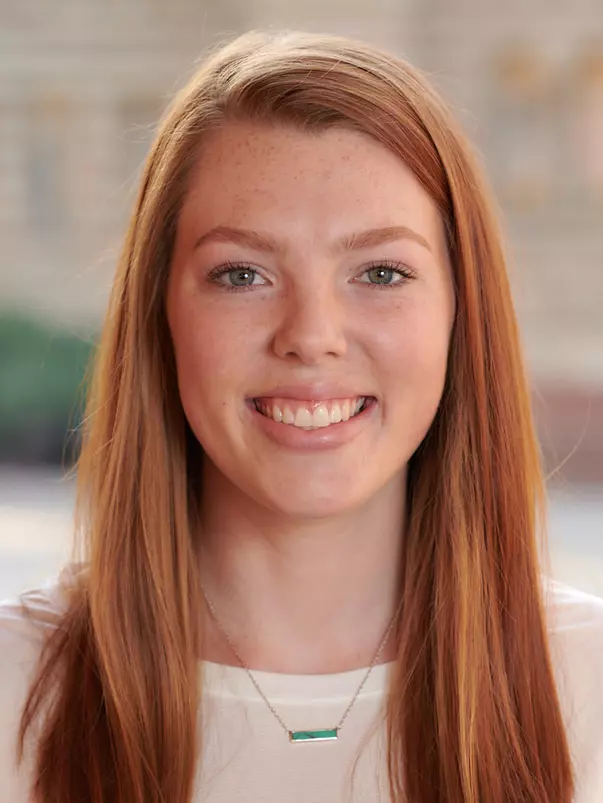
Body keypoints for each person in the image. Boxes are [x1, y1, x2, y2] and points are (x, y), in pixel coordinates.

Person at [0, 29, 602, 803]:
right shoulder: (16, 687)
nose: (311, 335)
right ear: (160, 313)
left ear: (462, 311)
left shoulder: (586, 681)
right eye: (242, 273)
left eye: (381, 271)